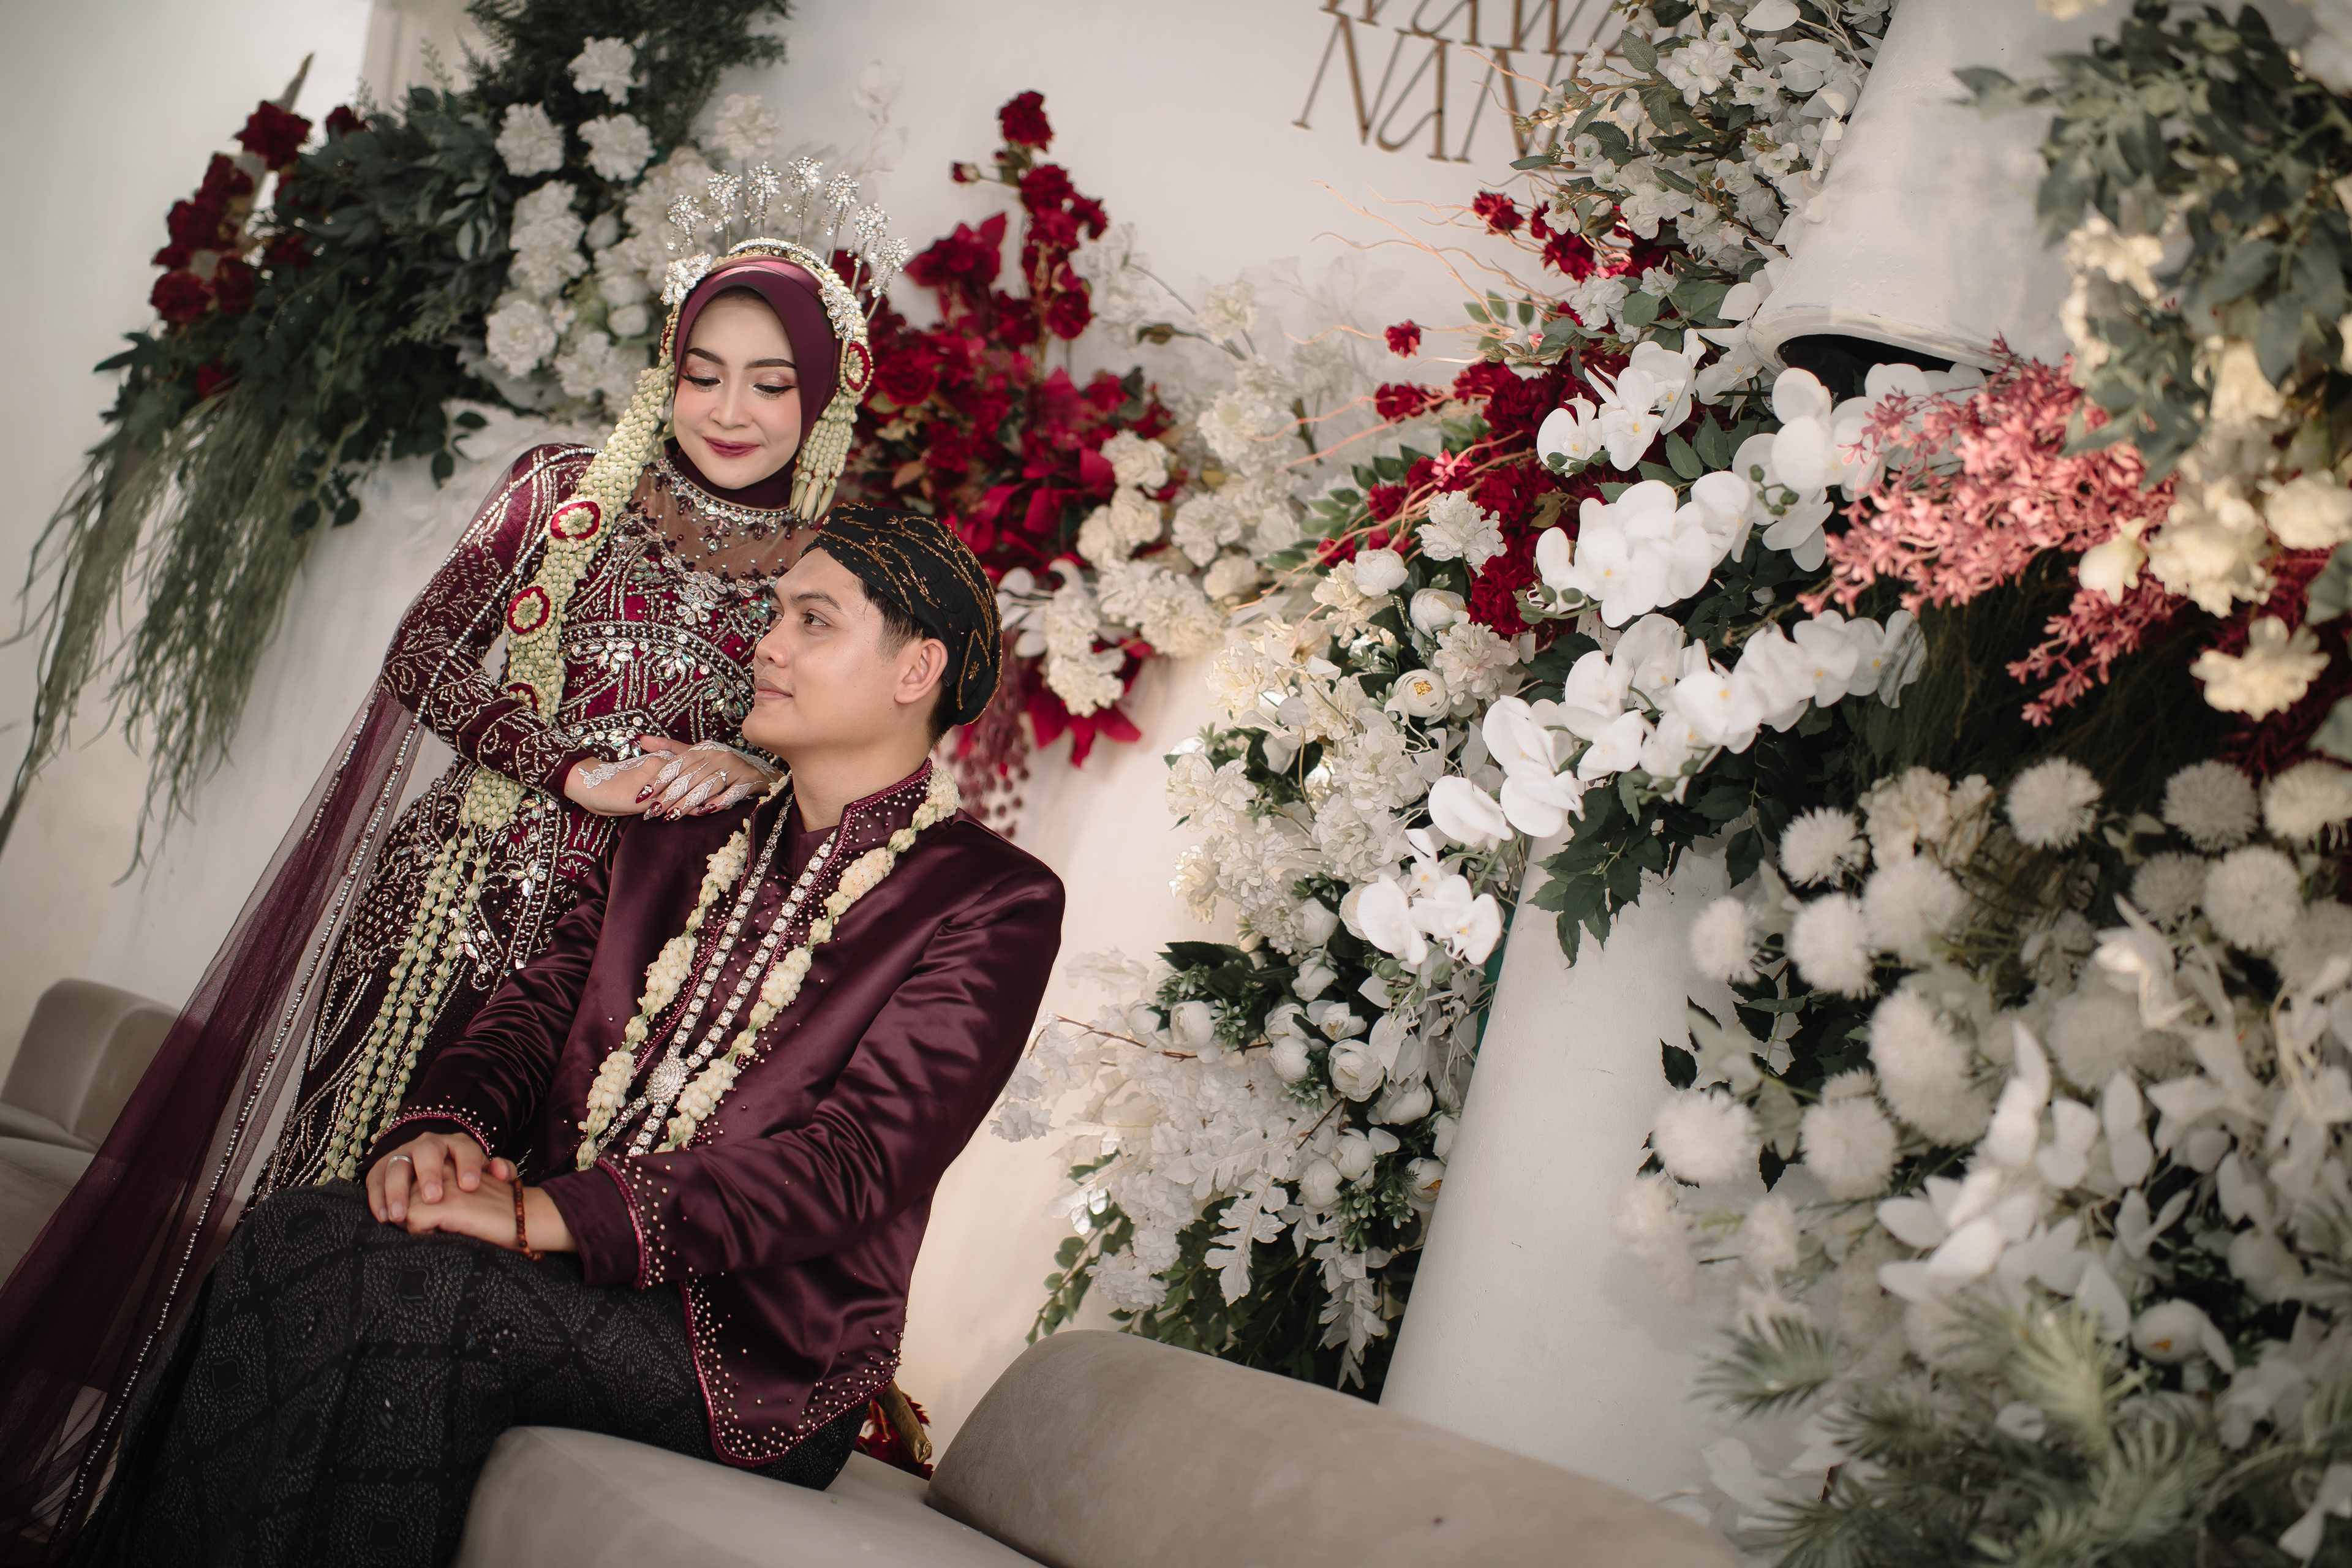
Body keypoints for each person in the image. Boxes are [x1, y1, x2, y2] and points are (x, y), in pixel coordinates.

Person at [0, 239, 902, 1545]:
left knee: (453, 1277)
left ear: (823, 398)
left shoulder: (835, 572)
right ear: (665, 371)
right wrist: (568, 767)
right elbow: (425, 651)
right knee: (320, 1215)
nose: (729, 409)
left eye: (771, 384)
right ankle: (160, 1526)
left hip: (618, 977)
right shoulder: (564, 489)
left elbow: (848, 759)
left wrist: (757, 766)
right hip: (444, 914)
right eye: (702, 373)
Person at [64, 501, 1060, 1566]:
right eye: (776, 615)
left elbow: (854, 1164)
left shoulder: (992, 900)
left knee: (411, 1294)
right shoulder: (690, 832)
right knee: (295, 1231)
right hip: (569, 1266)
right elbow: (539, 1010)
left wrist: (545, 1215)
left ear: (917, 671)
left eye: (814, 621)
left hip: (752, 1352)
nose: (767, 645)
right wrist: (443, 1132)